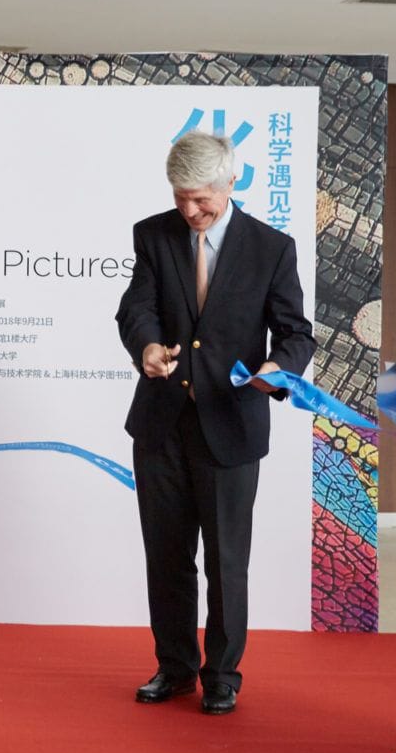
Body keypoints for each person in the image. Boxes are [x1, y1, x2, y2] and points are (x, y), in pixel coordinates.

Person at [115, 131, 315, 715]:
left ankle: (222, 675)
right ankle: (173, 668)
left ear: (232, 182)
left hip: (231, 424)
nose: (189, 211)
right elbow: (137, 307)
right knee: (167, 554)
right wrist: (147, 347)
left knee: (227, 559)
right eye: (180, 198)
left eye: (201, 199)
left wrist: (276, 369)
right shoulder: (154, 235)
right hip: (162, 424)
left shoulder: (271, 248)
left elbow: (296, 333)